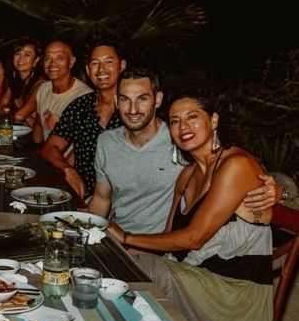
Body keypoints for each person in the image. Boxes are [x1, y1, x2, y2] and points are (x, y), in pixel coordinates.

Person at [102, 92, 277, 321]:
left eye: (193, 117)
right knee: (117, 265)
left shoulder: (236, 164)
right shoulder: (185, 177)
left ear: (213, 121)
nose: (183, 126)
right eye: (176, 121)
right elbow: (169, 246)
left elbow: (193, 238)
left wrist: (124, 237)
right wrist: (117, 250)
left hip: (235, 302)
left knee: (135, 271)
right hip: (197, 286)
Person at [89, 69, 280, 234]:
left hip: (160, 246)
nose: (132, 109)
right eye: (124, 99)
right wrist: (86, 232)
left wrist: (278, 190)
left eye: (142, 99)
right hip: (115, 237)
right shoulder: (106, 141)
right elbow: (101, 197)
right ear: (116, 101)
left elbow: (237, 164)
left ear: (158, 100)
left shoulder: (183, 139)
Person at [42, 42, 126, 200]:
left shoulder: (132, 110)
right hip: (83, 195)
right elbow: (50, 147)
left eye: (109, 61)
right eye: (95, 63)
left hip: (123, 200)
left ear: (121, 66)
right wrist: (67, 168)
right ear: (88, 70)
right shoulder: (80, 106)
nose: (101, 69)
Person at [33, 40, 93, 142]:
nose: (52, 64)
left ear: (72, 62)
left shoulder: (84, 96)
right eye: (48, 59)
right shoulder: (43, 89)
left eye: (59, 58)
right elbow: (39, 124)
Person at [0, 37, 46, 126]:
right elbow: (0, 109)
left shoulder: (40, 84)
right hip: (21, 129)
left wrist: (10, 110)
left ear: (36, 60)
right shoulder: (14, 78)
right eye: (18, 54)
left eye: (27, 55)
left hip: (40, 136)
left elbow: (19, 116)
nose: (21, 59)